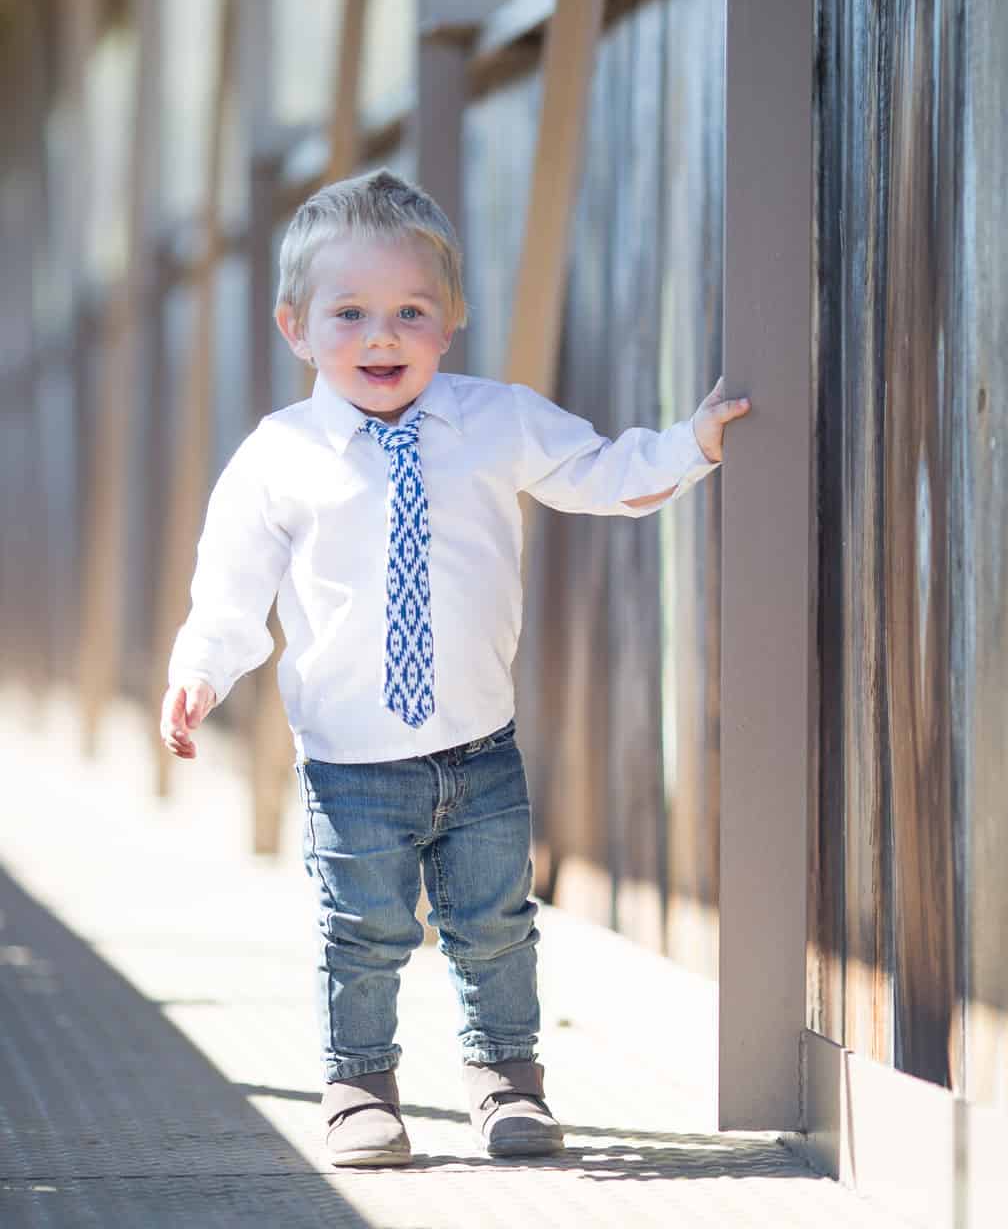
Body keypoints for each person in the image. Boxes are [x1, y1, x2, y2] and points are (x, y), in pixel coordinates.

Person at [160, 168, 751, 1168]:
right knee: (362, 934)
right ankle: (359, 1091)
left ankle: (506, 1083)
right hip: (349, 763)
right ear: (293, 326)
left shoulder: (495, 421)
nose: (380, 336)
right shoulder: (281, 456)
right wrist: (201, 671)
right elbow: (230, 585)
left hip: (479, 750)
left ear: (453, 319)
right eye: (348, 313)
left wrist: (688, 447)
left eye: (410, 312)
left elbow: (605, 476)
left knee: (496, 928)